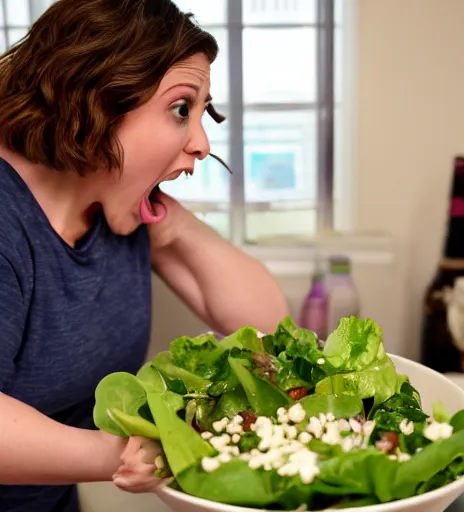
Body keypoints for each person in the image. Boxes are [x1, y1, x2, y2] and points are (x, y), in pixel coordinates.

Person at [0, 1, 290, 511]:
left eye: (202, 114)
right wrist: (135, 452)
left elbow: (268, 323)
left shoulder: (117, 204)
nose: (201, 143)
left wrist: (175, 225)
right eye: (182, 109)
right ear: (96, 97)